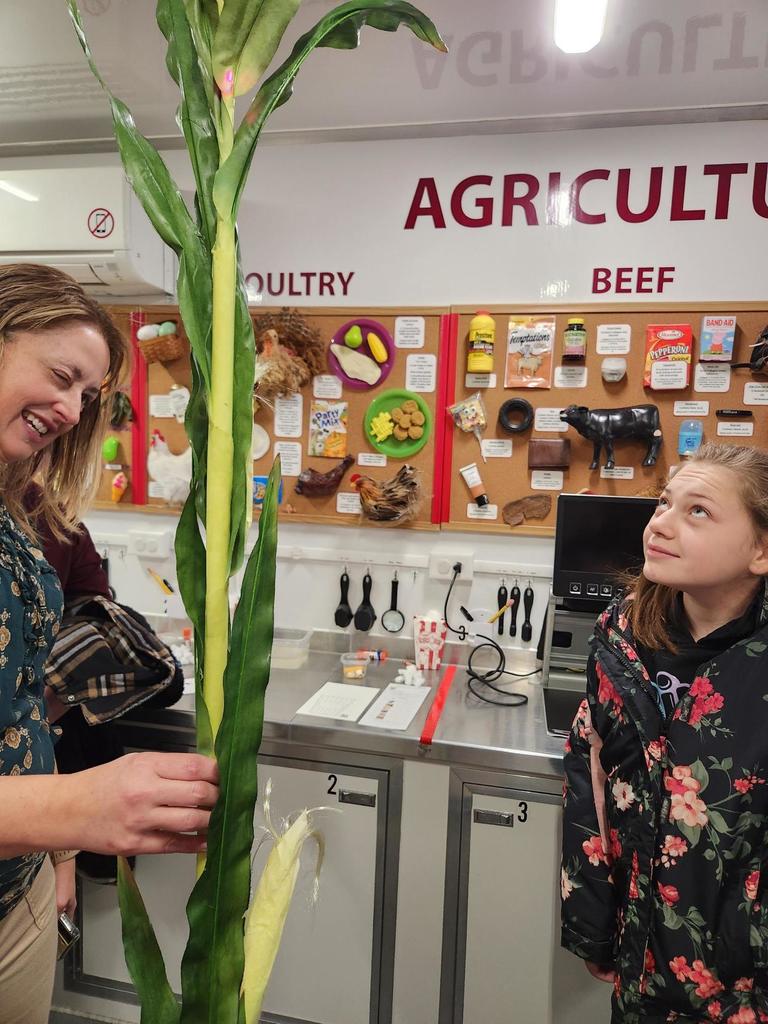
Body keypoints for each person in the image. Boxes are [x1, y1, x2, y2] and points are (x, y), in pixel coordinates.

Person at [0, 264, 218, 1024]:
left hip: (17, 894)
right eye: (61, 376)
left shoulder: (21, 506)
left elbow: (24, 710)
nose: (68, 409)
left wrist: (53, 855)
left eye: (86, 396)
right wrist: (72, 809)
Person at [561, 442, 768, 1023]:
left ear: (761, 549)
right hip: (640, 969)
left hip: (745, 988)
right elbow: (591, 780)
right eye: (663, 503)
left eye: (697, 511)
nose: (661, 524)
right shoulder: (621, 634)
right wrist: (593, 923)